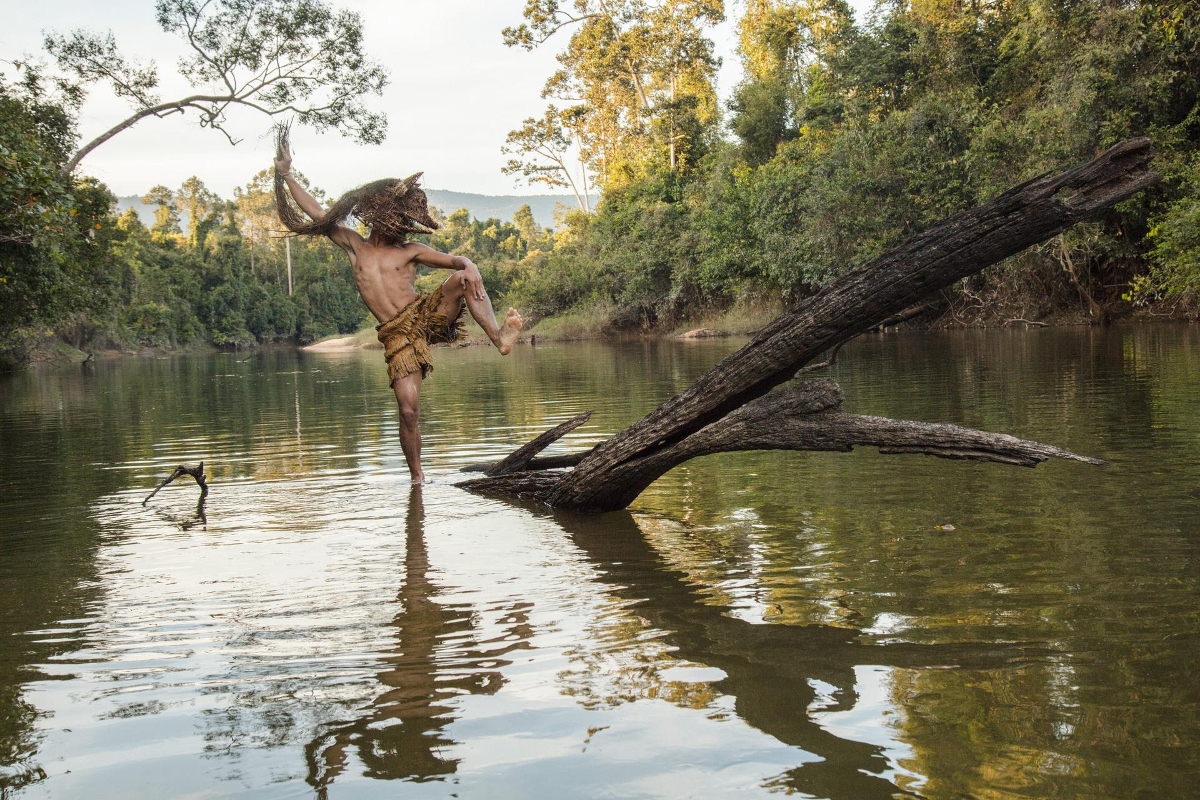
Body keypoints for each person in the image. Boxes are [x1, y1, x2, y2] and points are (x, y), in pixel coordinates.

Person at [273, 136, 523, 484]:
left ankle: (499, 337)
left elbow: (456, 261)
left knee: (462, 278)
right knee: (408, 411)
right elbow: (317, 213)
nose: (402, 227)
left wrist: (471, 264)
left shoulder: (410, 251)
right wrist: (286, 175)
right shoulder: (354, 245)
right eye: (398, 219)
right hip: (397, 337)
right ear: (380, 216)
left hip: (427, 316)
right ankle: (417, 479)